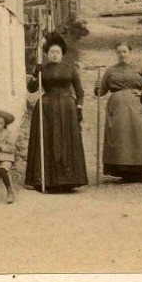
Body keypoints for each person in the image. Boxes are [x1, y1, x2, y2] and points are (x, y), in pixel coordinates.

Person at [24, 33, 88, 193]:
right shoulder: (42, 69)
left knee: (66, 140)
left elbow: (80, 92)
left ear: (62, 54)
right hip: (46, 107)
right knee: (47, 140)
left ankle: (69, 179)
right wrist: (34, 74)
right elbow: (32, 89)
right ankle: (46, 179)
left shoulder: (70, 69)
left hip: (67, 107)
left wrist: (79, 107)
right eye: (51, 52)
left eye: (57, 52)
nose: (54, 54)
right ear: (47, 54)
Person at [95, 41, 142, 181]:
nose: (122, 55)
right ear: (116, 54)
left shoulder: (140, 67)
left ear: (130, 52)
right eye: (119, 52)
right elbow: (101, 91)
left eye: (124, 51)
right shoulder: (111, 71)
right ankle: (124, 172)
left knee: (140, 136)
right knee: (120, 138)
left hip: (138, 105)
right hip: (118, 108)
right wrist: (97, 87)